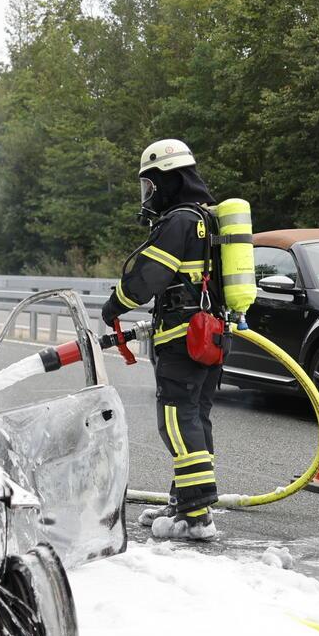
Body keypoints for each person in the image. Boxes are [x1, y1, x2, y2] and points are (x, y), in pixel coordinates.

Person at [101, 139, 224, 542]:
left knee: (175, 418)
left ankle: (195, 514)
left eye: (150, 185)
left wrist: (113, 307)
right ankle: (186, 500)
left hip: (181, 339)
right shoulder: (209, 219)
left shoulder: (178, 223)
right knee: (195, 416)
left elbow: (147, 279)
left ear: (169, 180)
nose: (148, 195)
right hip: (211, 338)